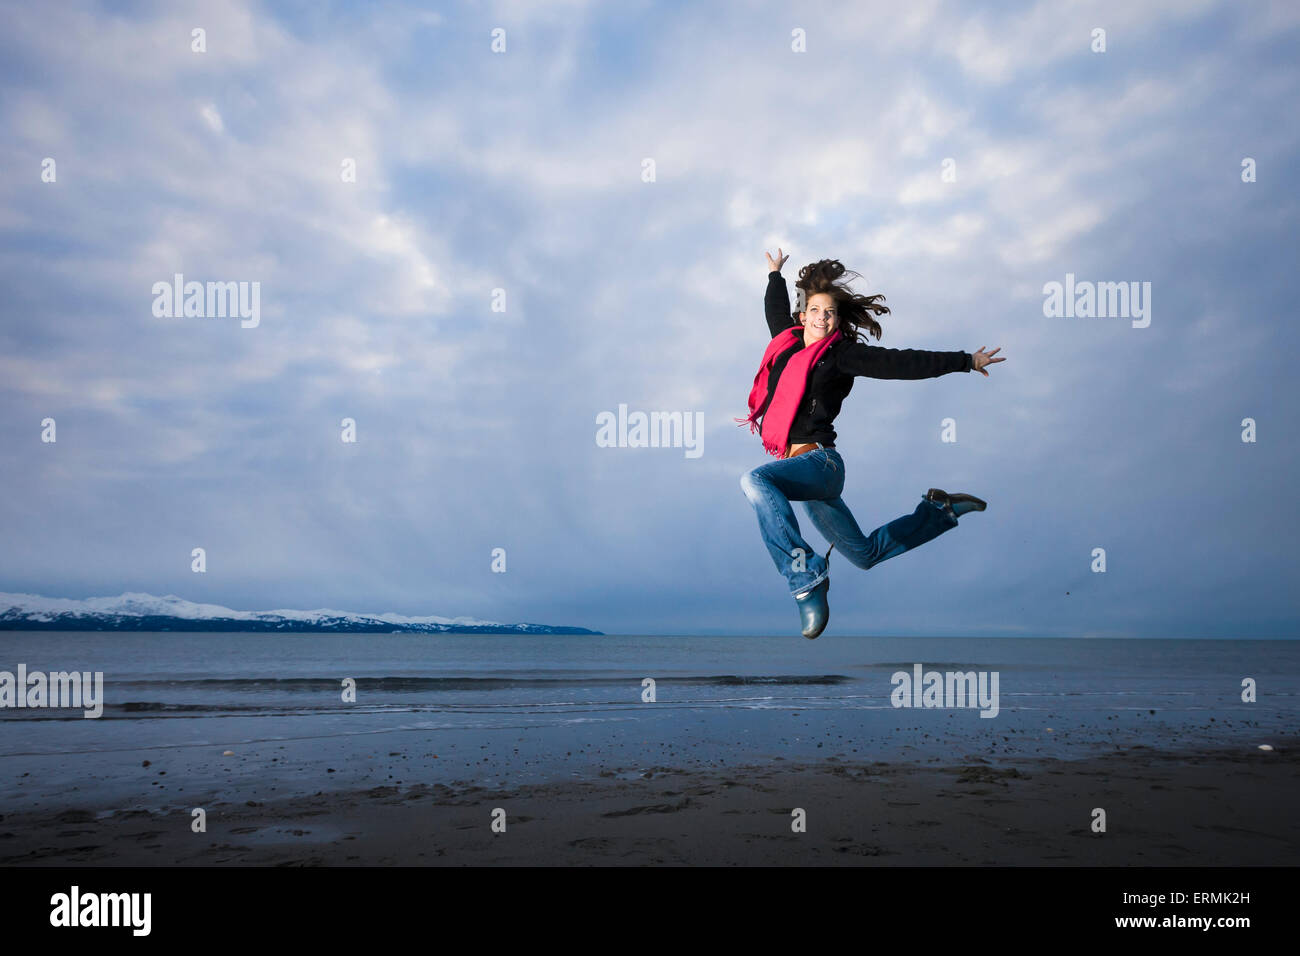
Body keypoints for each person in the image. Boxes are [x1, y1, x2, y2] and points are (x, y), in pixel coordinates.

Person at [737, 250, 1005, 639]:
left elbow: (902, 363)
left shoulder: (842, 355)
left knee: (756, 481)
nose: (821, 317)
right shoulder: (785, 344)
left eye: (829, 312)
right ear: (803, 314)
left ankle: (805, 579)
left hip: (822, 466)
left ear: (837, 319)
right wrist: (774, 274)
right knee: (864, 555)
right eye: (815, 310)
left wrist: (966, 361)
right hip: (805, 482)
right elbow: (773, 310)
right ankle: (940, 511)